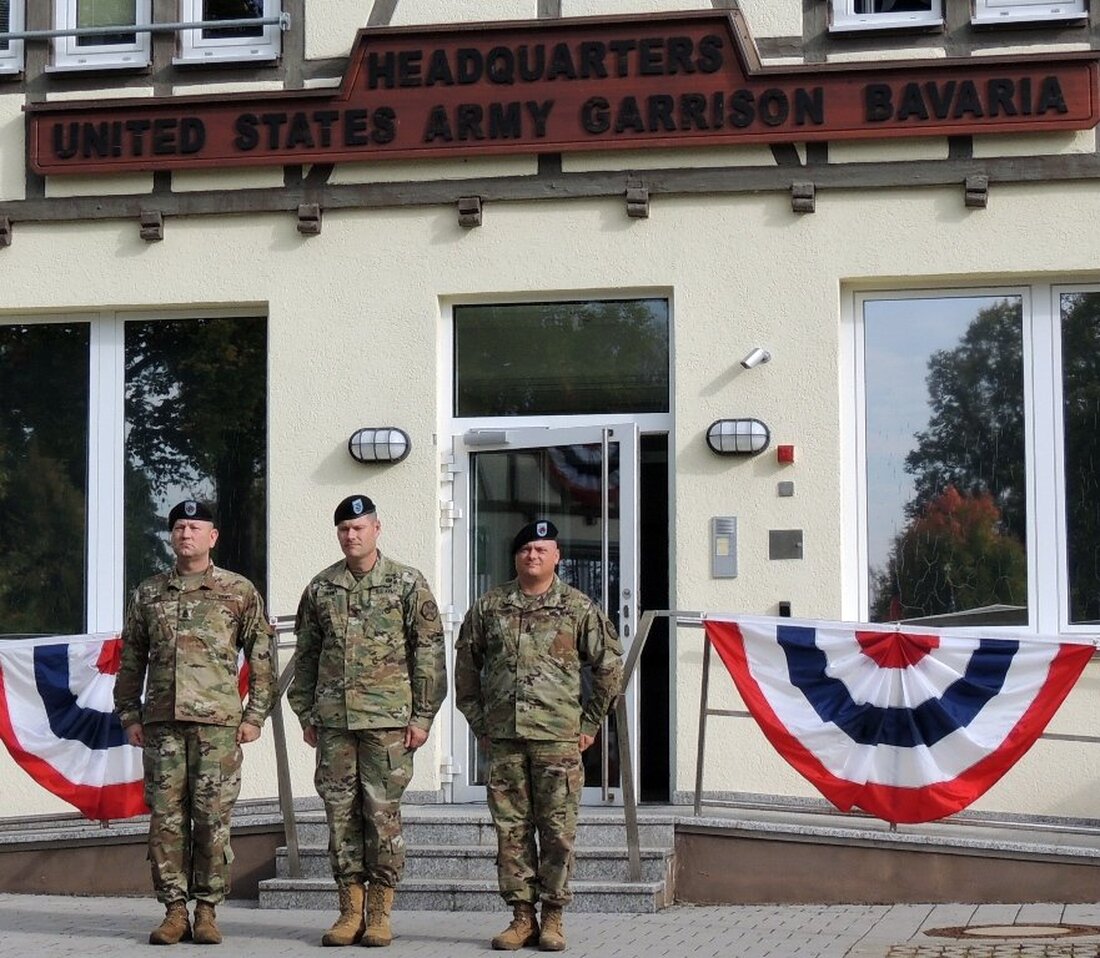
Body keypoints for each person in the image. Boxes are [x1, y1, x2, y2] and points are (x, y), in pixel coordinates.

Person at [455, 519, 624, 952]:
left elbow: (608, 670)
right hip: (506, 741)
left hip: (557, 740)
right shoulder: (489, 607)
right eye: (526, 549)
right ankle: (520, 917)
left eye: (542, 549)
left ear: (557, 558)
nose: (533, 556)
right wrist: (481, 724)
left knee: (557, 831)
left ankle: (553, 917)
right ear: (516, 557)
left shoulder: (578, 608)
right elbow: (466, 672)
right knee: (510, 832)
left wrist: (587, 725)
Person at [115, 498, 276, 946]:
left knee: (211, 819)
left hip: (218, 728)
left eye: (195, 527)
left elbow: (261, 657)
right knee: (166, 821)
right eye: (179, 527)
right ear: (172, 537)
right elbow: (131, 660)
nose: (186, 535)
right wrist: (129, 713)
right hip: (163, 727)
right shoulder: (149, 593)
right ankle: (173, 911)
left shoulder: (237, 591)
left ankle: (206, 911)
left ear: (213, 537)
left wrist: (255, 715)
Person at [288, 494, 447, 948]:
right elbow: (307, 655)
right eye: (343, 529)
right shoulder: (321, 588)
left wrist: (422, 716)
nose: (350, 535)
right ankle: (348, 910)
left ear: (378, 528)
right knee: (340, 817)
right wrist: (305, 711)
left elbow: (428, 653)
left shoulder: (406, 583)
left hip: (388, 723)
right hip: (335, 724)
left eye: (358, 527)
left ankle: (379, 911)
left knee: (381, 816)